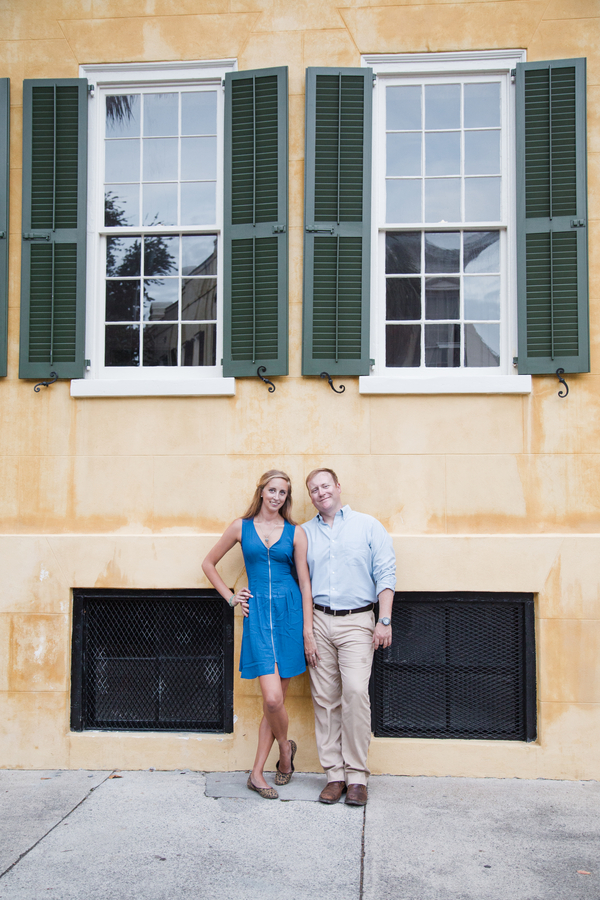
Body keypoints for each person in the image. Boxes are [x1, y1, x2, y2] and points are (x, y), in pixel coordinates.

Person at [202, 470, 315, 800]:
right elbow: (209, 563)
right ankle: (285, 749)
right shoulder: (241, 527)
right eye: (272, 490)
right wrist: (231, 596)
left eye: (283, 492)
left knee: (275, 700)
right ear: (262, 492)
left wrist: (308, 630)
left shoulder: (296, 533)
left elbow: (306, 584)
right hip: (258, 617)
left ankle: (256, 773)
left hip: (290, 615)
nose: (277, 496)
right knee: (272, 699)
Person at [302, 468, 396, 807]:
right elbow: (302, 583)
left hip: (358, 621)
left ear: (338, 487)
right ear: (310, 496)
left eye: (325, 485)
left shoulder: (367, 525)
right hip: (319, 621)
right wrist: (308, 631)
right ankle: (334, 775)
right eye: (313, 489)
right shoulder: (305, 533)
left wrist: (383, 620)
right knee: (325, 699)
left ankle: (357, 776)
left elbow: (386, 571)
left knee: (356, 693)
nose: (320, 492)